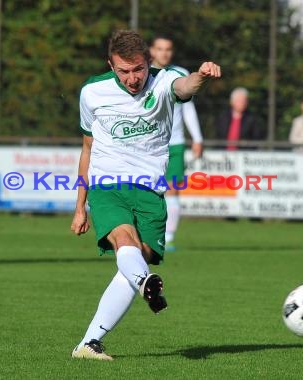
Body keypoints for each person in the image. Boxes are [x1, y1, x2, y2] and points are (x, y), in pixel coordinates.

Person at [70, 30, 220, 360]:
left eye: (138, 69)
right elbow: (87, 148)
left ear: (148, 62)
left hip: (150, 188)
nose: (132, 78)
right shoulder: (92, 92)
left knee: (138, 259)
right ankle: (145, 283)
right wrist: (80, 205)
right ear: (110, 65)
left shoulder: (165, 81)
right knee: (126, 243)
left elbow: (186, 87)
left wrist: (202, 76)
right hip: (107, 183)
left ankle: (89, 343)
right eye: (123, 71)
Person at [150, 35, 203, 251]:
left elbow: (188, 108)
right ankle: (147, 234)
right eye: (160, 48)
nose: (164, 53)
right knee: (147, 190)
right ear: (152, 51)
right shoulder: (142, 74)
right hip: (149, 144)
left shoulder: (180, 74)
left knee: (172, 191)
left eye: (168, 49)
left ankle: (168, 238)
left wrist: (198, 138)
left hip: (175, 143)